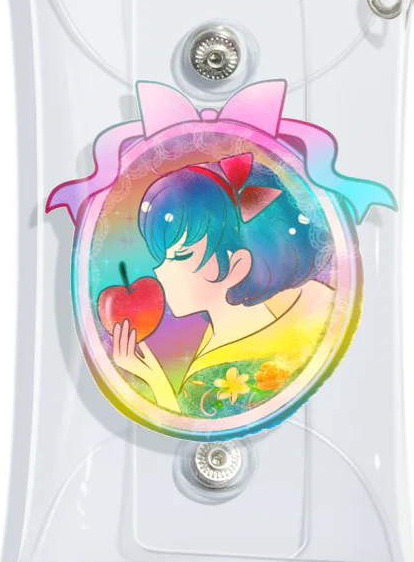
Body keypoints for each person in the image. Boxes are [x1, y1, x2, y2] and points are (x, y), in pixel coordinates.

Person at [107, 152, 334, 417]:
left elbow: (190, 426)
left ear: (237, 266)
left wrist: (154, 380)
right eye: (163, 257)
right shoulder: (310, 307)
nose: (159, 271)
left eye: (181, 256)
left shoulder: (215, 380)